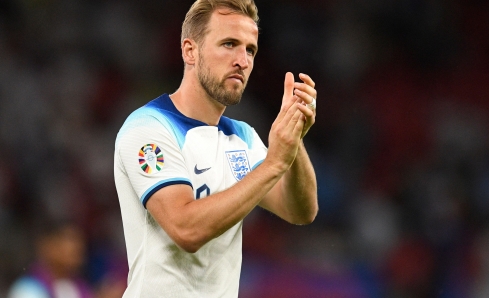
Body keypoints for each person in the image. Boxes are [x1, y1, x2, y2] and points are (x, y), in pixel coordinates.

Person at [113, 0, 318, 296]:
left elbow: (301, 210)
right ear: (190, 50)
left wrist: (294, 138)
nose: (242, 61)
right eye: (229, 44)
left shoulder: (242, 136)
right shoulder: (148, 127)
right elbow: (186, 230)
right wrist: (274, 164)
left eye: (250, 49)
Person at [7, 219, 93, 298]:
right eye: (68, 240)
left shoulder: (79, 286)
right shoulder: (27, 289)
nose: (76, 247)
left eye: (78, 241)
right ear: (47, 245)